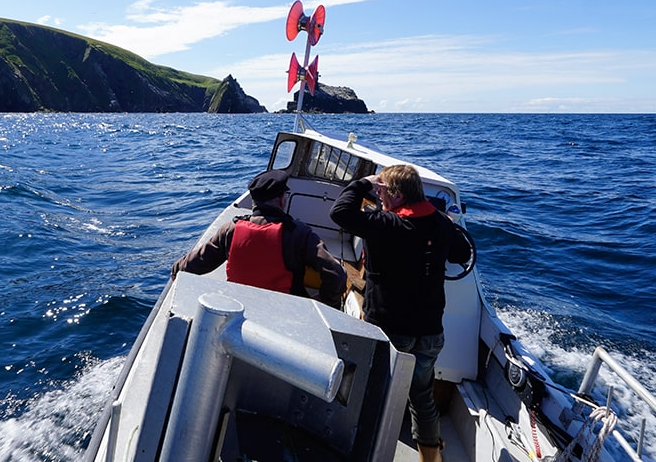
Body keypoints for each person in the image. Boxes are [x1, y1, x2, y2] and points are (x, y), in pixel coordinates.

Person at [330, 164, 469, 462]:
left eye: (382, 191)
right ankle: (430, 458)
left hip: (389, 331)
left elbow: (340, 212)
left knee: (373, 392)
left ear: (395, 194)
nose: (379, 197)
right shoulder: (441, 224)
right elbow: (462, 254)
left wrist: (361, 185)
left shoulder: (384, 224)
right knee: (421, 397)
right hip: (430, 332)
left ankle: (364, 452)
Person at [171, 169, 347, 309]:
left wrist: (176, 268)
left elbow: (190, 266)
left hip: (239, 310)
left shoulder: (230, 230)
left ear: (254, 201)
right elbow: (337, 276)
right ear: (281, 200)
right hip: (288, 313)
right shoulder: (299, 233)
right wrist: (323, 300)